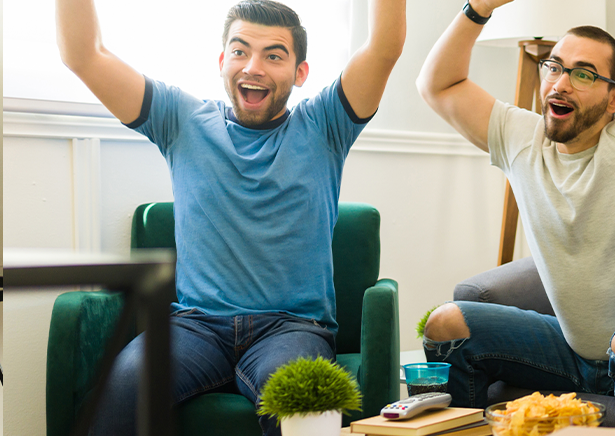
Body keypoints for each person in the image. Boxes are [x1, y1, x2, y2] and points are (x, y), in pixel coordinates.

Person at [56, 0, 406, 433]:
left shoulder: (326, 125)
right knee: (125, 385)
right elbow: (83, 56)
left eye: (273, 56)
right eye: (240, 51)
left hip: (293, 329)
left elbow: (385, 47)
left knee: (305, 402)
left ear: (300, 73)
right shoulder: (180, 119)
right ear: (223, 61)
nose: (253, 67)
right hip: (195, 328)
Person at [415, 0, 615, 406]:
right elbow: (437, 85)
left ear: (614, 100)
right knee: (446, 323)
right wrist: (480, 8)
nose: (560, 84)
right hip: (575, 351)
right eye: (555, 67)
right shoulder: (521, 139)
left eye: (583, 74)